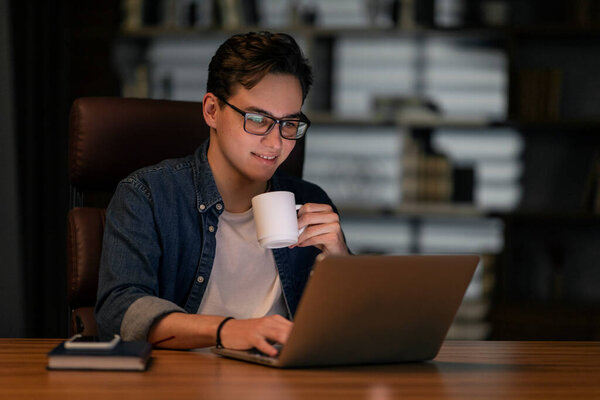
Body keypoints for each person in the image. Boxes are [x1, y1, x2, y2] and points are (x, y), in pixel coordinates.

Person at [95, 31, 349, 356]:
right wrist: (227, 330)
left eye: (289, 124)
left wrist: (340, 260)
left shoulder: (312, 200)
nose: (276, 143)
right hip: (182, 383)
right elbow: (118, 311)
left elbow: (347, 333)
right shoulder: (147, 196)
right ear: (212, 110)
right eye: (258, 119)